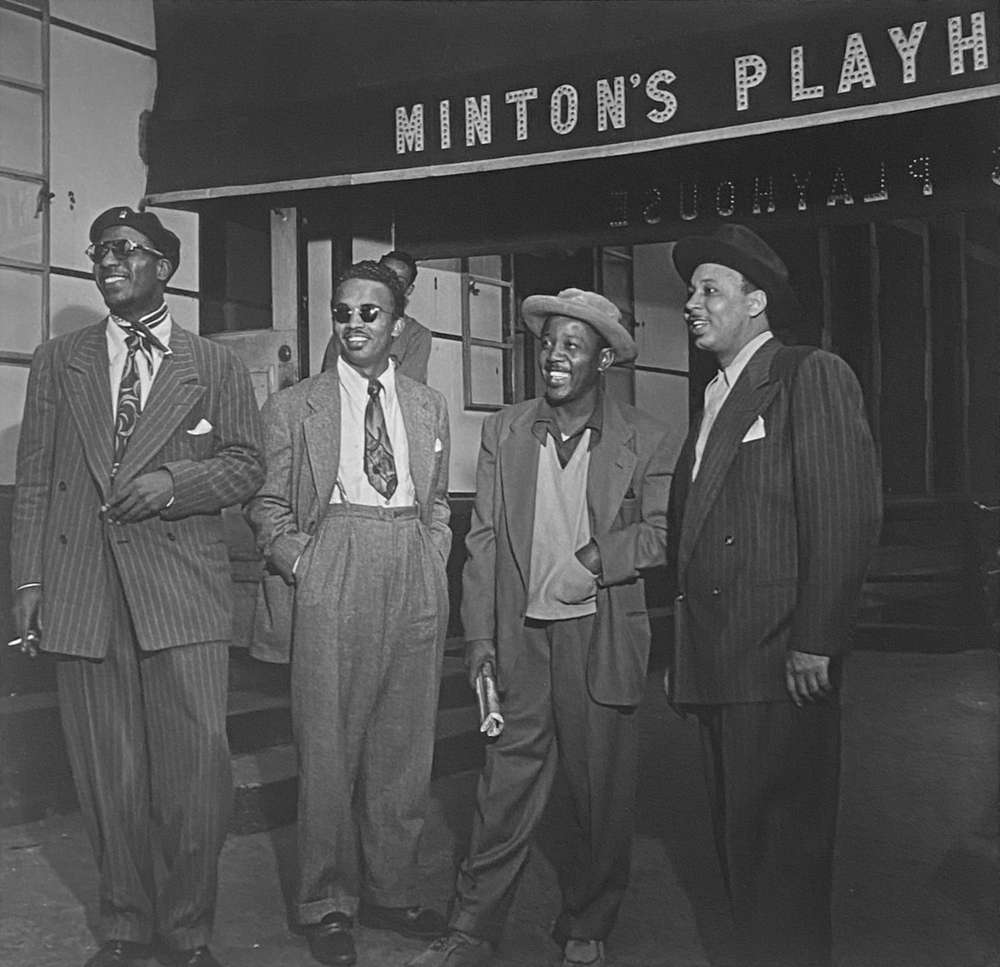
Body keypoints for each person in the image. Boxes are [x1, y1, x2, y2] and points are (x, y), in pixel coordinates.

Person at [10, 206, 265, 967]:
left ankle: (188, 932)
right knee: (105, 770)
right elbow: (32, 480)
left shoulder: (213, 365)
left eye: (125, 250)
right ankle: (124, 924)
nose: (107, 261)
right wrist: (28, 579)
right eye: (98, 251)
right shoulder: (60, 361)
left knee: (194, 774)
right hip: (83, 587)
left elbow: (249, 464)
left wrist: (173, 483)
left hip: (180, 592)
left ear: (165, 266)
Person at [410, 289, 672, 967]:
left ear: (604, 359)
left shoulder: (646, 436)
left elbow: (665, 532)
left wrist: (597, 556)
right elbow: (486, 542)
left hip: (600, 637)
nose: (554, 357)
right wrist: (483, 643)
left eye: (573, 346)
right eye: (549, 343)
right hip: (521, 639)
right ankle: (471, 925)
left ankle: (589, 919)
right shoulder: (506, 430)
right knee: (503, 786)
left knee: (599, 791)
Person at [666, 224, 882, 967]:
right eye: (692, 291)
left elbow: (845, 510)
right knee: (744, 857)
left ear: (756, 302)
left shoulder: (806, 374)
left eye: (710, 290)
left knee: (781, 866)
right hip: (724, 662)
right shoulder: (716, 397)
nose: (692, 304)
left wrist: (816, 636)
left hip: (778, 662)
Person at [246, 260, 451, 966]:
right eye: (343, 311)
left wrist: (434, 546)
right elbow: (266, 503)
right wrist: (302, 559)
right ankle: (326, 900)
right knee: (328, 746)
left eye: (370, 312)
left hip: (412, 561)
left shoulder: (427, 405)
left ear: (397, 325)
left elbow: (439, 497)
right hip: (335, 555)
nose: (354, 324)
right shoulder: (294, 406)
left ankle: (392, 889)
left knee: (405, 744)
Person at [322, 250, 432, 383]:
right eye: (382, 276)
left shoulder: (417, 335)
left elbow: (406, 390)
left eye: (399, 281)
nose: (389, 285)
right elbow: (328, 381)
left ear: (408, 290)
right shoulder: (350, 326)